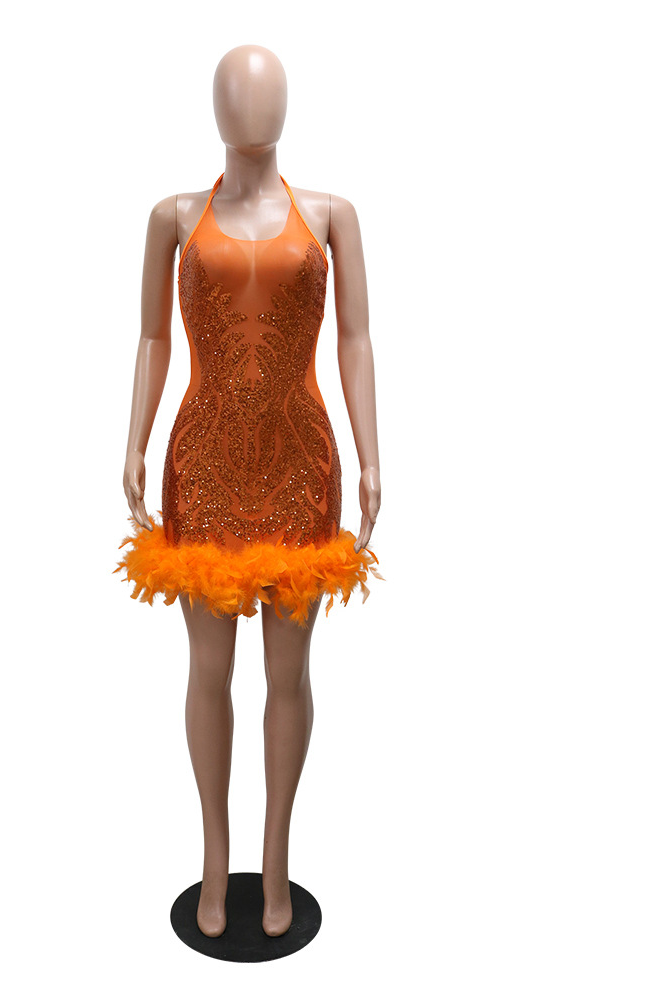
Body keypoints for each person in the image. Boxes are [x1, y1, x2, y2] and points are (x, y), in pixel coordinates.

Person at [115, 44, 382, 938]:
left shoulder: (333, 216)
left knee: (289, 676)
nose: (251, 106)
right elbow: (152, 338)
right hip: (206, 467)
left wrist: (371, 457)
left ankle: (275, 863)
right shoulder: (174, 217)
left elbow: (356, 340)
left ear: (285, 105)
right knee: (208, 671)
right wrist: (133, 441)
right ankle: (212, 858)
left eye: (264, 92)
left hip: (302, 466)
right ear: (216, 106)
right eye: (236, 91)